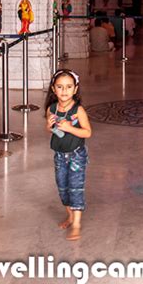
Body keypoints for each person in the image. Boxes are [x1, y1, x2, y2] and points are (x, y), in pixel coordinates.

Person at [45, 69, 91, 241]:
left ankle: (77, 224)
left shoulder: (78, 111)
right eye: (60, 87)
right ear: (53, 89)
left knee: (75, 187)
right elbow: (49, 130)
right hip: (59, 155)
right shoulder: (52, 109)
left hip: (76, 156)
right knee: (63, 188)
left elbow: (87, 133)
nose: (64, 91)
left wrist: (70, 128)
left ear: (75, 89)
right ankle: (70, 216)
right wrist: (49, 126)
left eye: (68, 87)